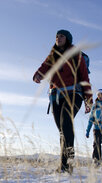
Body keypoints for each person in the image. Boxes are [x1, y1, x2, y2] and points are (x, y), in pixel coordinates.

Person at [33, 29, 93, 173]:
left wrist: (88, 99)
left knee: (66, 123)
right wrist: (38, 75)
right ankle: (64, 165)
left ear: (68, 39)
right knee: (62, 130)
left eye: (61, 36)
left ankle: (67, 166)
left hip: (73, 93)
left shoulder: (75, 53)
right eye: (56, 36)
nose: (58, 38)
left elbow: (84, 76)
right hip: (55, 95)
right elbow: (45, 66)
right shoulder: (53, 54)